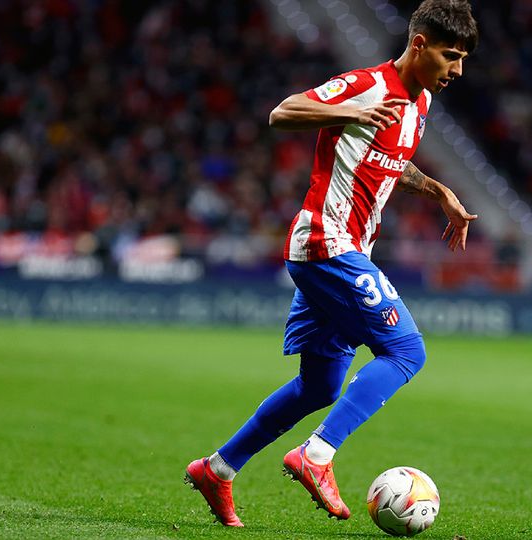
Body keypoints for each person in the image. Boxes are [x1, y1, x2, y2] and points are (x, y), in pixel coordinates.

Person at [184, 0, 478, 527]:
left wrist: (439, 192)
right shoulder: (367, 86)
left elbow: (390, 161)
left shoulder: (420, 103)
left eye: (462, 59)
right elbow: (283, 112)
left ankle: (218, 469)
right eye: (450, 56)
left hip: (344, 249)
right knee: (406, 351)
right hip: (327, 242)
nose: (457, 69)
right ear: (419, 45)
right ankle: (316, 455)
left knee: (320, 386)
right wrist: (350, 112)